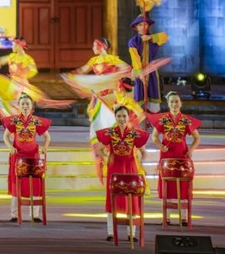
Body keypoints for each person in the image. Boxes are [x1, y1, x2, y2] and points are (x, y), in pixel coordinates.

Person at [69, 38, 132, 180]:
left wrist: (115, 79)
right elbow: (81, 70)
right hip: (98, 96)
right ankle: (99, 158)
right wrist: (73, 77)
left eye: (94, 46)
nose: (93, 48)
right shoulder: (93, 61)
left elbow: (127, 68)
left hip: (110, 96)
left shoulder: (112, 59)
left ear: (101, 46)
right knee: (97, 125)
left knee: (111, 125)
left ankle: (114, 155)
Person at [96, 105, 149, 242]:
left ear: (128, 117)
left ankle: (132, 233)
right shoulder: (110, 132)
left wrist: (140, 163)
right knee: (112, 198)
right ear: (115, 117)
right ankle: (111, 232)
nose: (121, 119)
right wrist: (106, 157)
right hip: (114, 169)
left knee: (132, 198)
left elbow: (143, 152)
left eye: (124, 116)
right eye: (119, 116)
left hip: (130, 169)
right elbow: (99, 149)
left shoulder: (134, 133)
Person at [148, 91, 201, 226]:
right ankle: (166, 217)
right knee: (167, 184)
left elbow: (197, 138)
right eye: (171, 101)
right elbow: (154, 136)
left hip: (182, 155)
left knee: (183, 185)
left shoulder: (186, 120)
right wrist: (161, 146)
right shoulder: (163, 119)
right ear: (168, 104)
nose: (174, 104)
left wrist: (190, 150)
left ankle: (184, 218)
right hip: (167, 155)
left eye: (176, 101)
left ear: (181, 103)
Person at [2, 93, 51, 223]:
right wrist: (10, 147)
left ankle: (35, 215)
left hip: (33, 156)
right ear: (19, 105)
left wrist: (44, 147)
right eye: (22, 103)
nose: (25, 106)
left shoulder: (36, 121)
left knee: (35, 183)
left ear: (31, 106)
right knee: (16, 184)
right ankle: (14, 214)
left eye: (27, 104)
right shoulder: (14, 121)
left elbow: (47, 137)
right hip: (18, 155)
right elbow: (5, 136)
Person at [128, 15, 168, 113]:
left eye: (145, 24)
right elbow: (135, 59)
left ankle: (152, 118)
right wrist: (141, 74)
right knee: (139, 96)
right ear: (136, 27)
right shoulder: (133, 41)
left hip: (151, 71)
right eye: (140, 25)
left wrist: (150, 37)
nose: (143, 27)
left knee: (152, 94)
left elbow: (165, 37)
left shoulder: (154, 40)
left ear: (148, 26)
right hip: (138, 72)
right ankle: (140, 118)